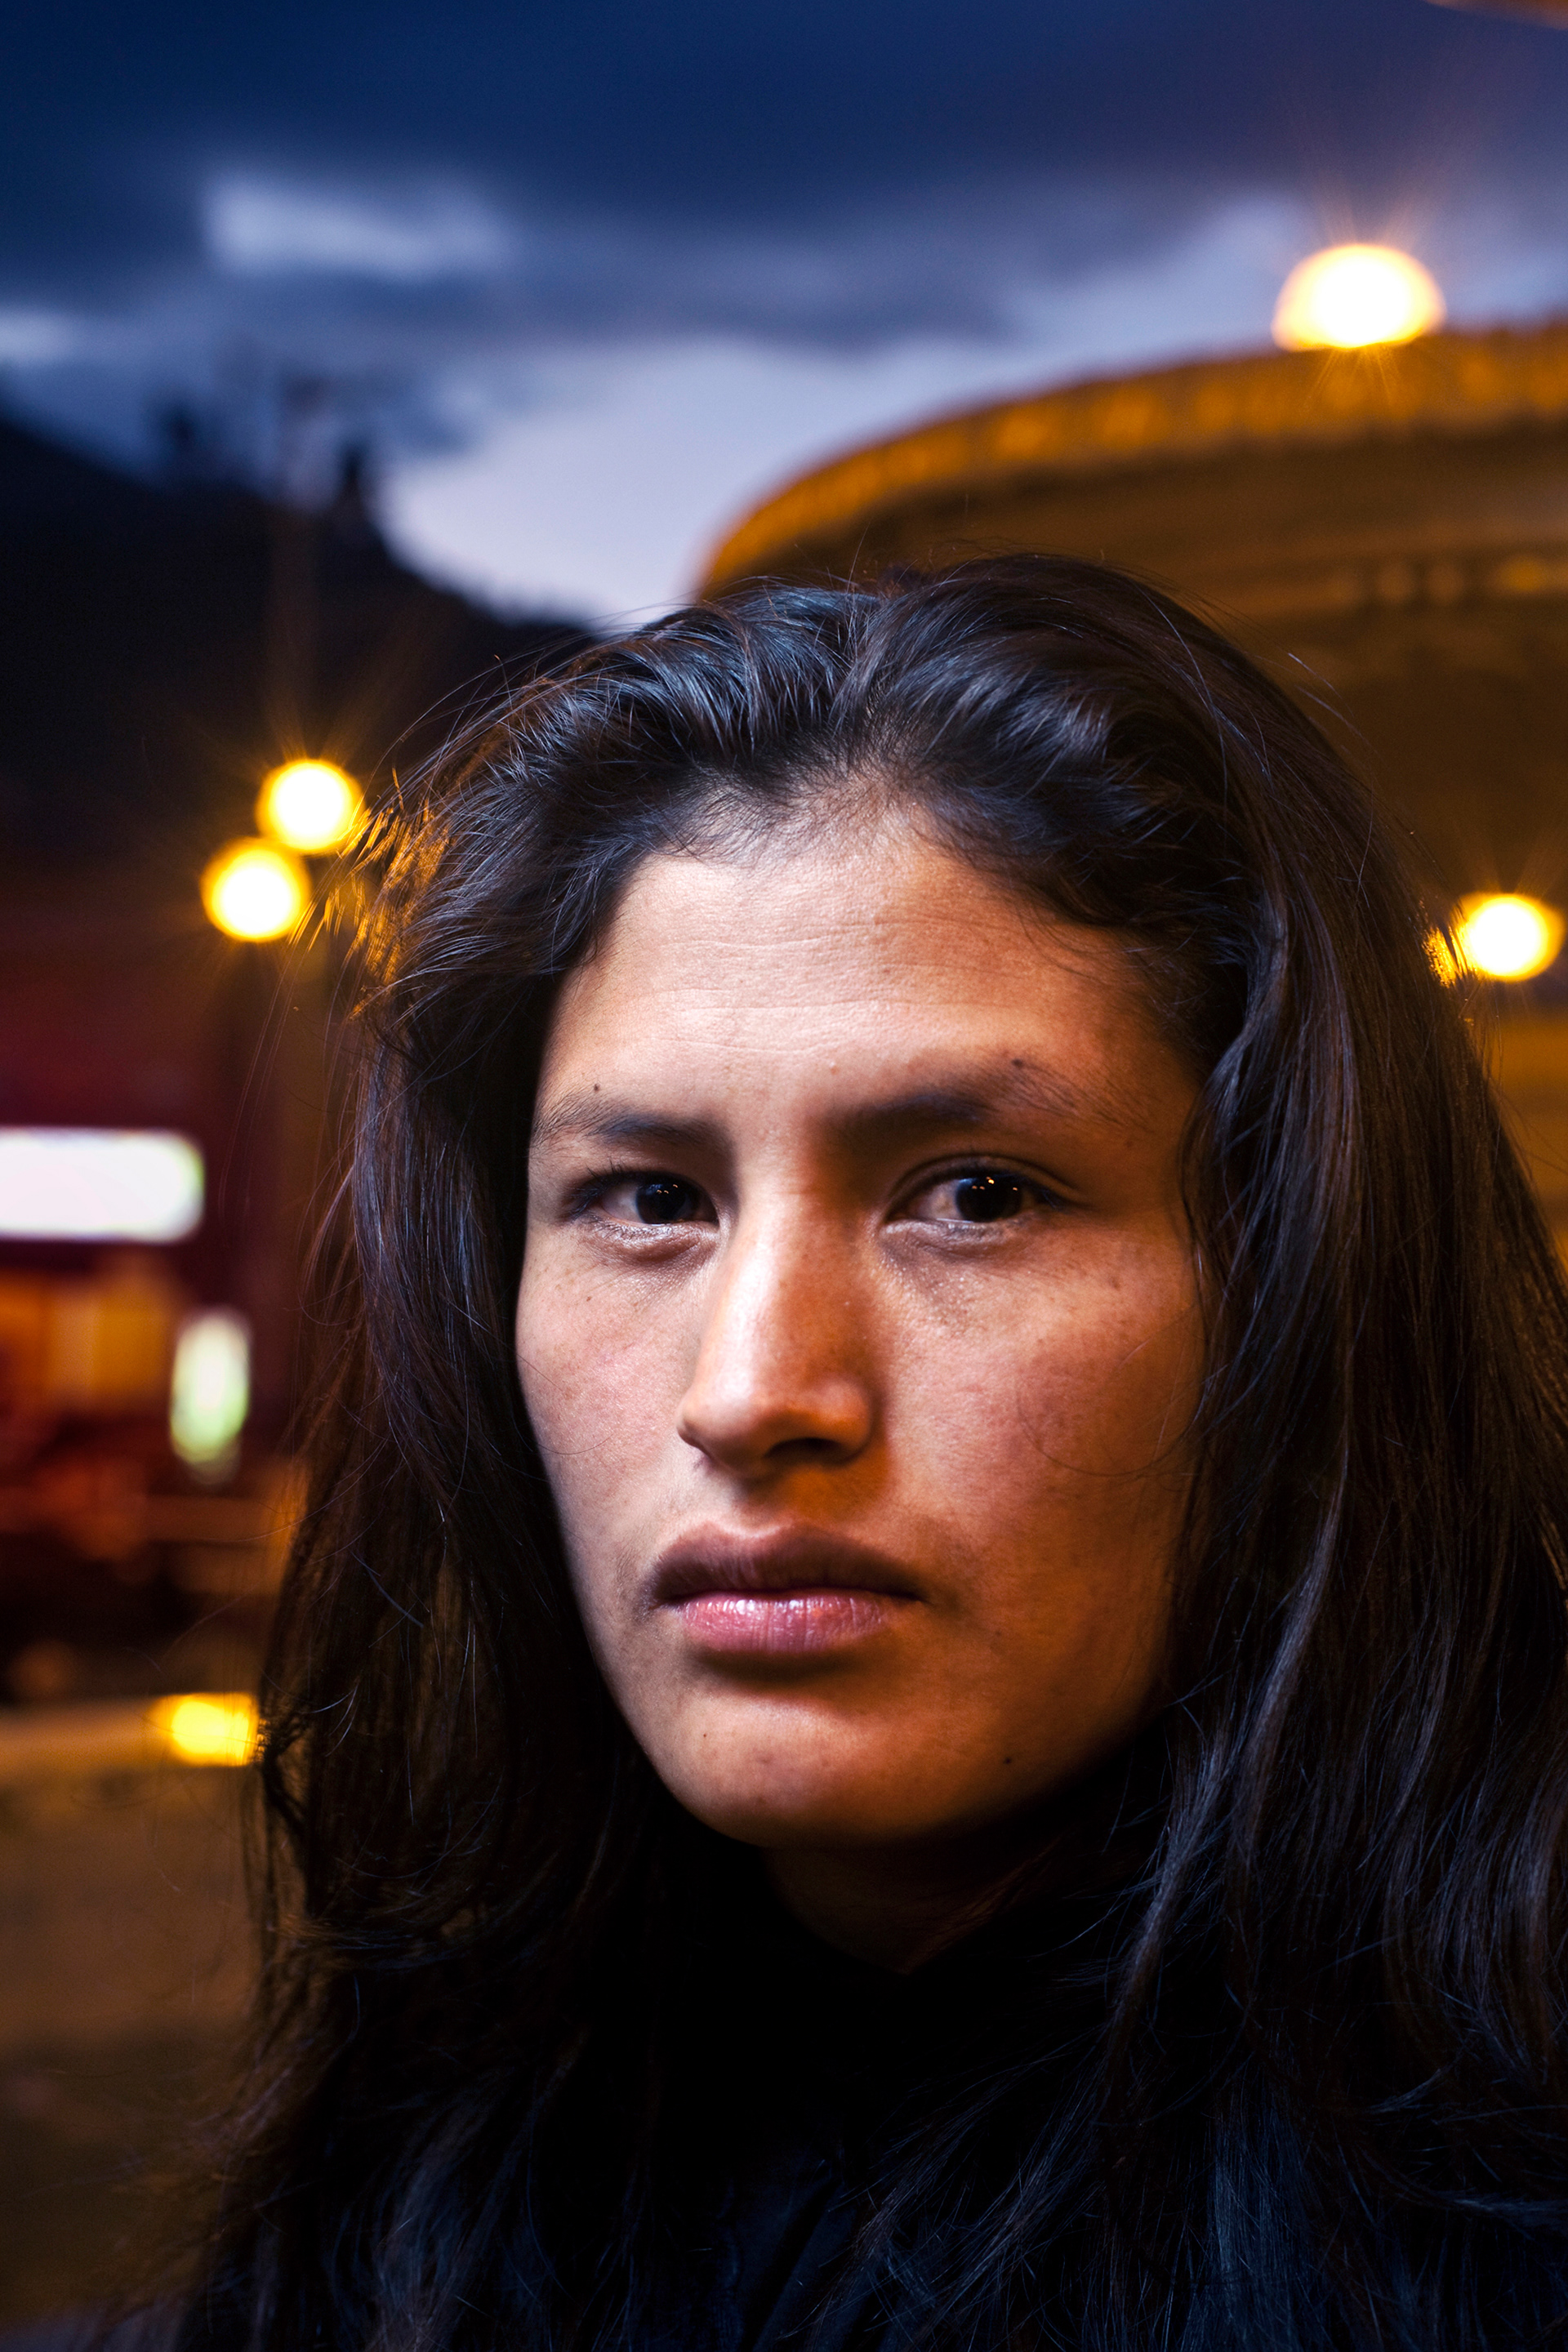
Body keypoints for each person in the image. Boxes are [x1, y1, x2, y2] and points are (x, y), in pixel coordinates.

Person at [176, 558, 1568, 2350]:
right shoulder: (412, 2168)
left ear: (1299, 1283)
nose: (754, 1392)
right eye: (648, 1201)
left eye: (975, 1196)